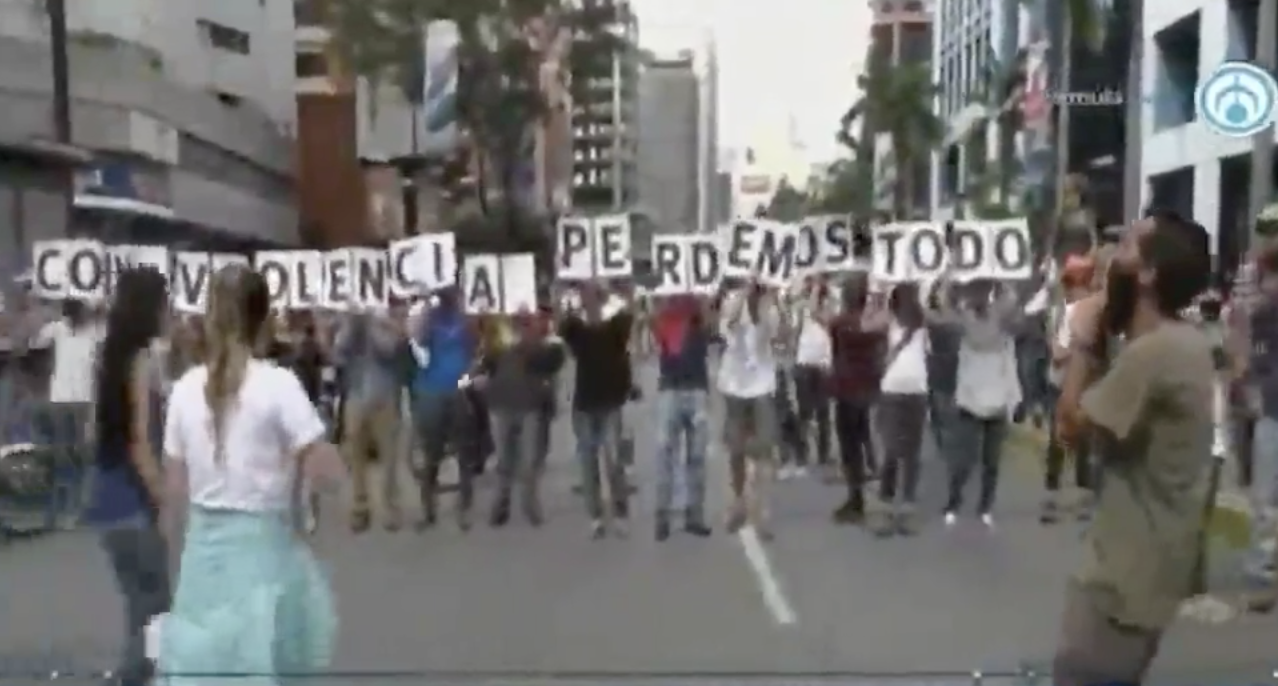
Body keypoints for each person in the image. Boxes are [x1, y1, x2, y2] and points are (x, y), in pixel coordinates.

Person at [158, 264, 343, 683]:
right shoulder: (278, 385)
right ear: (263, 319)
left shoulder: (186, 388)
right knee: (260, 662)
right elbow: (327, 471)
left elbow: (174, 490)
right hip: (263, 552)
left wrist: (179, 563)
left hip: (202, 558)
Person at [1052, 210, 1215, 686]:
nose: (1110, 253)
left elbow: (1069, 425)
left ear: (1148, 275)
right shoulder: (1182, 342)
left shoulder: (1154, 354)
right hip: (1149, 568)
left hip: (1123, 579)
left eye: (1126, 246)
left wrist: (1083, 336)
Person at [81, 268, 171, 686]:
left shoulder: (105, 354)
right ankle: (139, 678)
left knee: (138, 602)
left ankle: (133, 675)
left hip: (104, 489)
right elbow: (140, 439)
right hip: (133, 495)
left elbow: (93, 429)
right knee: (155, 603)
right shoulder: (140, 359)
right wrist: (163, 497)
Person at [932, 278, 1024, 528]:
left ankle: (985, 506)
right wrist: (950, 280)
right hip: (970, 400)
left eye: (984, 291)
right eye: (976, 291)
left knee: (991, 462)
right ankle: (953, 502)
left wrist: (1001, 276)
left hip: (997, 401)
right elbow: (941, 306)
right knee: (963, 460)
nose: (980, 296)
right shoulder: (963, 319)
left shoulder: (1000, 317)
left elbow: (1013, 300)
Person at [473, 308, 565, 527]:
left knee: (530, 460)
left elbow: (553, 362)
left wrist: (532, 341)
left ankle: (529, 503)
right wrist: (477, 381)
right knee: (504, 459)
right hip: (501, 404)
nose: (521, 326)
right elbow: (483, 365)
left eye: (526, 321)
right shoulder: (497, 343)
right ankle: (501, 503)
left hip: (530, 407)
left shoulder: (542, 344)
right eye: (518, 321)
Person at [560, 283, 634, 538]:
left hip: (611, 402)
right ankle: (595, 517)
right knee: (588, 463)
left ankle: (621, 513)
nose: (589, 297)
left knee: (614, 463)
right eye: (585, 294)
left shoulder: (615, 326)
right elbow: (563, 327)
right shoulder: (577, 330)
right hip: (585, 405)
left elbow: (628, 315)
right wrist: (574, 303)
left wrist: (615, 292)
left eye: (593, 294)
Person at [332, 306, 411, 533]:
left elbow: (390, 349)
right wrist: (352, 325)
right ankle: (360, 508)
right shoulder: (347, 320)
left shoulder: (384, 318)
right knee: (355, 456)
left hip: (384, 398)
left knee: (389, 456)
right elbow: (338, 353)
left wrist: (371, 324)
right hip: (355, 397)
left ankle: (391, 509)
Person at [409, 288, 479, 530]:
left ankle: (464, 510)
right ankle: (428, 509)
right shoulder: (431, 317)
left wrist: (469, 376)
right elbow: (418, 338)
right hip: (432, 390)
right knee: (432, 454)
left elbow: (476, 351)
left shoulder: (465, 319)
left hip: (457, 390)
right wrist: (427, 305)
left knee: (464, 453)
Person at [718, 279, 782, 539]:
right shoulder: (732, 302)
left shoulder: (771, 308)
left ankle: (762, 512)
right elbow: (728, 327)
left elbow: (776, 337)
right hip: (734, 385)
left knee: (764, 451)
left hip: (762, 386)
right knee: (736, 450)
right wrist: (743, 297)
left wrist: (769, 308)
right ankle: (738, 504)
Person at [35, 297, 105, 526]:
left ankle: (77, 507)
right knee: (60, 454)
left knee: (80, 454)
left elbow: (102, 360)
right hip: (60, 399)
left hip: (83, 400)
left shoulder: (95, 331)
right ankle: (56, 507)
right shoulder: (57, 329)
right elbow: (36, 339)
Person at [651, 294, 714, 540]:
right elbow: (653, 324)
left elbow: (711, 327)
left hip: (696, 388)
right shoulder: (665, 315)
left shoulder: (699, 316)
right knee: (665, 452)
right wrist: (666, 303)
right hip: (670, 388)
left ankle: (694, 514)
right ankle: (663, 516)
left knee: (697, 456)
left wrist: (701, 300)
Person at [1042, 254, 1098, 524]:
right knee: (1057, 440)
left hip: (1085, 383)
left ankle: (1083, 497)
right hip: (1059, 381)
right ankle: (1051, 496)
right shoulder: (1059, 312)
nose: (1076, 287)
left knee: (1084, 441)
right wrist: (1065, 350)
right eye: (1073, 282)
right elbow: (1055, 347)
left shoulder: (1094, 311)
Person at [827, 275, 886, 524]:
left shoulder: (840, 323)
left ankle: (856, 499)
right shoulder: (872, 327)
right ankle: (873, 486)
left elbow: (823, 321)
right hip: (868, 387)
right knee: (864, 438)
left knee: (850, 447)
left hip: (846, 388)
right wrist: (879, 299)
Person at [872, 283, 930, 537]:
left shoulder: (923, 325)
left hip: (917, 391)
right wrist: (880, 294)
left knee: (912, 453)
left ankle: (907, 507)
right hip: (892, 391)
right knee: (892, 450)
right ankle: (886, 505)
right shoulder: (888, 322)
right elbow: (867, 324)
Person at [789, 278, 834, 479]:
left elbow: (822, 316)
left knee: (823, 411)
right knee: (804, 412)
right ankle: (801, 453)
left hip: (823, 363)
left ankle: (824, 453)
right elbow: (795, 330)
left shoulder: (832, 303)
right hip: (804, 361)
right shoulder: (801, 305)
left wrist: (817, 290)